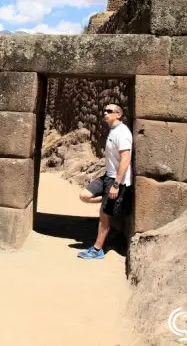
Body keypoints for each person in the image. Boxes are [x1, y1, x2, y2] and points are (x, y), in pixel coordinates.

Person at [77, 104, 132, 260]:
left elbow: (125, 159)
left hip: (116, 180)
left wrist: (116, 185)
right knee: (84, 195)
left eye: (109, 111)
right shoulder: (113, 131)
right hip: (107, 176)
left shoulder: (122, 133)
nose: (105, 113)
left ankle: (97, 249)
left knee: (104, 216)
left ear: (119, 115)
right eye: (105, 110)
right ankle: (110, 201)